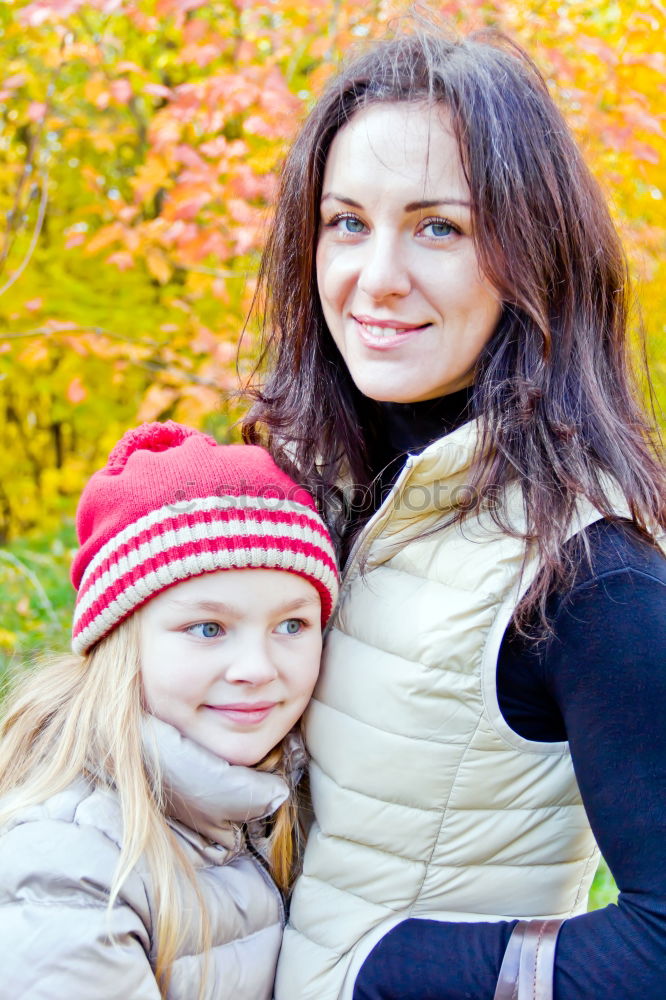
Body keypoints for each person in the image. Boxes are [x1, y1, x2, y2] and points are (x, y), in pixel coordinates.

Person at [242, 18, 666, 1000]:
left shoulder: (587, 574)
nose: (376, 276)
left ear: (533, 251)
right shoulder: (322, 490)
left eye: (440, 226)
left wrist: (388, 974)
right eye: (347, 222)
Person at [0, 420, 338, 999]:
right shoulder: (67, 871)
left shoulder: (292, 799)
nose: (256, 667)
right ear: (119, 640)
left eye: (292, 624)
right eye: (208, 628)